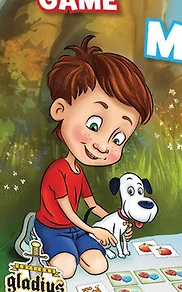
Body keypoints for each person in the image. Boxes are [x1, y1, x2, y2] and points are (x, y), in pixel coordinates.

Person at [18, 36, 153, 279]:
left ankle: (75, 246)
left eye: (118, 138)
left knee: (98, 265)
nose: (103, 145)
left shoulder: (79, 172)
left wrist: (119, 221)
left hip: (74, 228)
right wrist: (93, 230)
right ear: (60, 109)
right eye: (94, 124)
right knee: (66, 269)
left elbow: (92, 205)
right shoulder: (57, 170)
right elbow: (68, 212)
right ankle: (33, 235)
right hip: (52, 228)